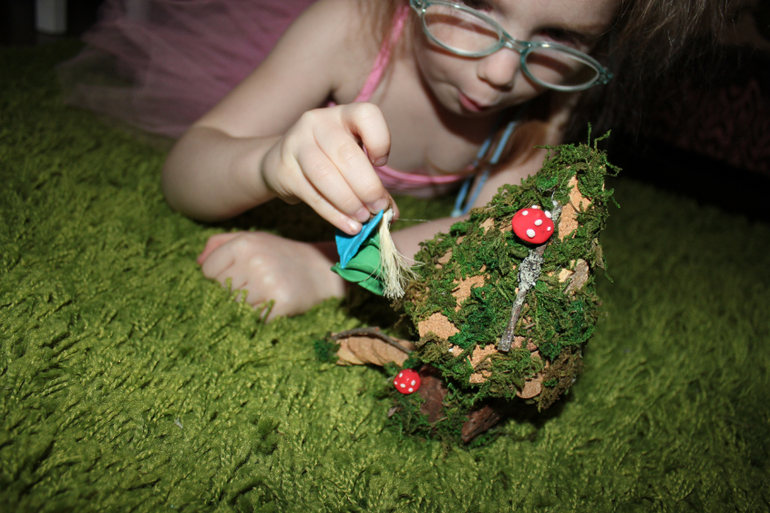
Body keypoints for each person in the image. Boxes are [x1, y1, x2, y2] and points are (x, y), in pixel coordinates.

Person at [72, 0, 727, 319]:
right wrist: (267, 162)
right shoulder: (346, 29)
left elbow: (496, 235)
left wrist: (329, 268)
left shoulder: (557, 92)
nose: (502, 72)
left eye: (558, 35)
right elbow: (185, 172)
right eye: (477, 3)